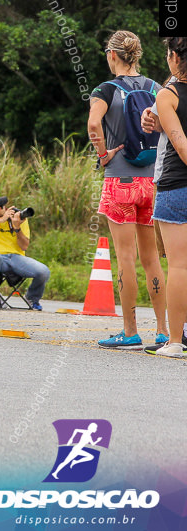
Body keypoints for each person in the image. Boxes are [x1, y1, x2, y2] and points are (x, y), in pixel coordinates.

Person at [88, 30, 168, 350]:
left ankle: (130, 331)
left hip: (120, 180)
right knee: (152, 259)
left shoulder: (105, 89)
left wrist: (102, 154)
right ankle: (163, 331)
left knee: (125, 257)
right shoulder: (156, 88)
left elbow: (95, 125)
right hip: (152, 183)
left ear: (112, 55)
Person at [145, 36, 187, 358]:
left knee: (179, 267)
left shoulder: (167, 94)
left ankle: (175, 341)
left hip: (176, 186)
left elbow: (180, 144)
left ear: (174, 57)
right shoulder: (165, 94)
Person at [0, 193, 50, 310]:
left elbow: (24, 246)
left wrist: (17, 228)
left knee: (44, 271)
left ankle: (32, 298)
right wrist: (1, 219)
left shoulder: (20, 218)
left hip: (17, 258)